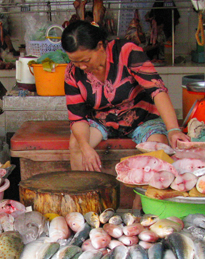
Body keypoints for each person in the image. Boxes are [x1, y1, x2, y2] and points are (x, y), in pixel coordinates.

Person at [61, 20, 189, 172]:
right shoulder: (72, 73)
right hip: (102, 120)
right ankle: (84, 192)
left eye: (86, 60)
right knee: (76, 144)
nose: (81, 66)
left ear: (100, 46)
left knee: (158, 146)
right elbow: (77, 117)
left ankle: (141, 195)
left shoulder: (126, 52)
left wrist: (173, 129)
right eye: (75, 61)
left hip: (141, 118)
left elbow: (157, 90)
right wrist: (85, 147)